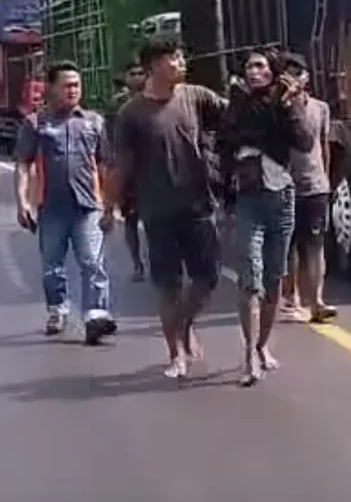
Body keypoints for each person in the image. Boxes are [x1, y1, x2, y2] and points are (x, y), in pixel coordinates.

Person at [113, 37, 227, 378]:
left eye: (179, 55)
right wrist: (112, 206)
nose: (180, 62)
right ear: (154, 66)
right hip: (157, 209)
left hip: (198, 204)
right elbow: (123, 164)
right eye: (173, 58)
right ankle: (175, 353)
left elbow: (233, 119)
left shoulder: (196, 96)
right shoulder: (130, 113)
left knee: (208, 277)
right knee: (168, 284)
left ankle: (185, 324)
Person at [218, 47, 313, 387]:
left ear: (272, 70)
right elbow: (227, 141)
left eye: (260, 66)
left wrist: (289, 105)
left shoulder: (286, 103)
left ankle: (262, 347)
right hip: (249, 199)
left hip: (282, 197)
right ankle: (248, 354)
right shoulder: (238, 103)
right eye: (249, 67)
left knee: (274, 279)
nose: (253, 72)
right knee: (251, 279)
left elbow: (304, 142)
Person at [13, 60, 117, 345]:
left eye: (77, 85)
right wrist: (22, 202)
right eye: (67, 85)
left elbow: (106, 166)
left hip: (87, 206)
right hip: (51, 207)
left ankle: (96, 315)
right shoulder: (35, 124)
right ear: (51, 88)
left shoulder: (94, 122)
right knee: (52, 266)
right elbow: (23, 164)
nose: (73, 90)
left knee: (93, 263)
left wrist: (110, 206)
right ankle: (57, 309)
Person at [281, 55, 337, 324]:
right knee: (288, 247)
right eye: (288, 73)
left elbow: (323, 144)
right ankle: (290, 297)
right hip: (283, 185)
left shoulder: (321, 108)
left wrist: (326, 178)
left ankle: (317, 301)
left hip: (315, 186)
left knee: (315, 244)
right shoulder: (276, 109)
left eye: (299, 72)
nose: (295, 78)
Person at [106, 60, 147, 281]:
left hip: (153, 170)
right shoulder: (118, 105)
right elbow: (111, 138)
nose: (137, 77)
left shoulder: (158, 100)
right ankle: (137, 263)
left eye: (142, 73)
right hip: (128, 170)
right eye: (133, 73)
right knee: (131, 219)